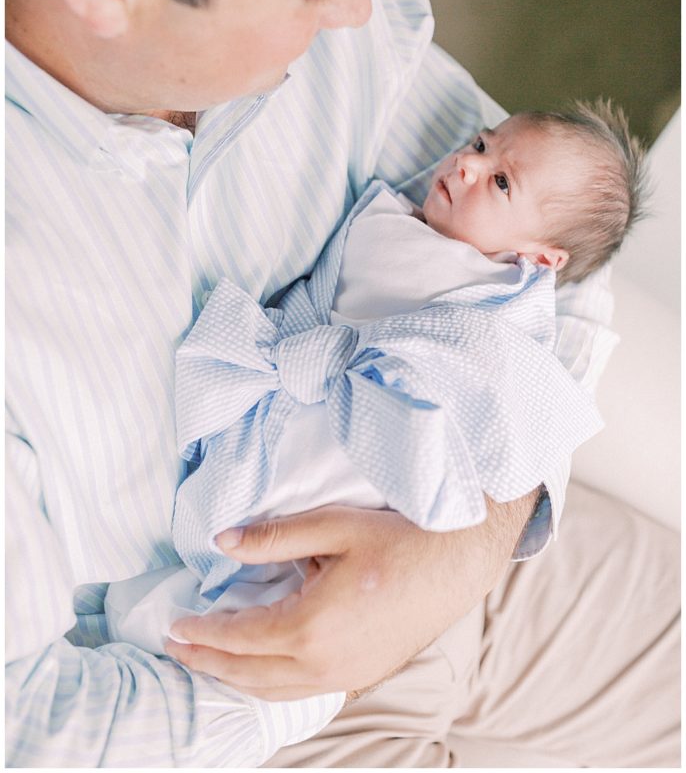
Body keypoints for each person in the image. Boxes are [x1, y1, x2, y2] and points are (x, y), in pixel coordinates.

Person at [5, 0, 678, 769]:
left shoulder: (341, 31)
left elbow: (554, 260)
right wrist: (330, 657)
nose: (369, 10)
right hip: (218, 695)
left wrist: (455, 552)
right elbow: (30, 725)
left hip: (480, 549)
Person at [104, 103, 645, 767]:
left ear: (539, 258)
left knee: (250, 639)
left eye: (502, 182)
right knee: (192, 591)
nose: (469, 162)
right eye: (480, 143)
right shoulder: (386, 215)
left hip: (378, 478)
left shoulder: (502, 309)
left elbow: (522, 414)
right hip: (297, 408)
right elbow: (320, 298)